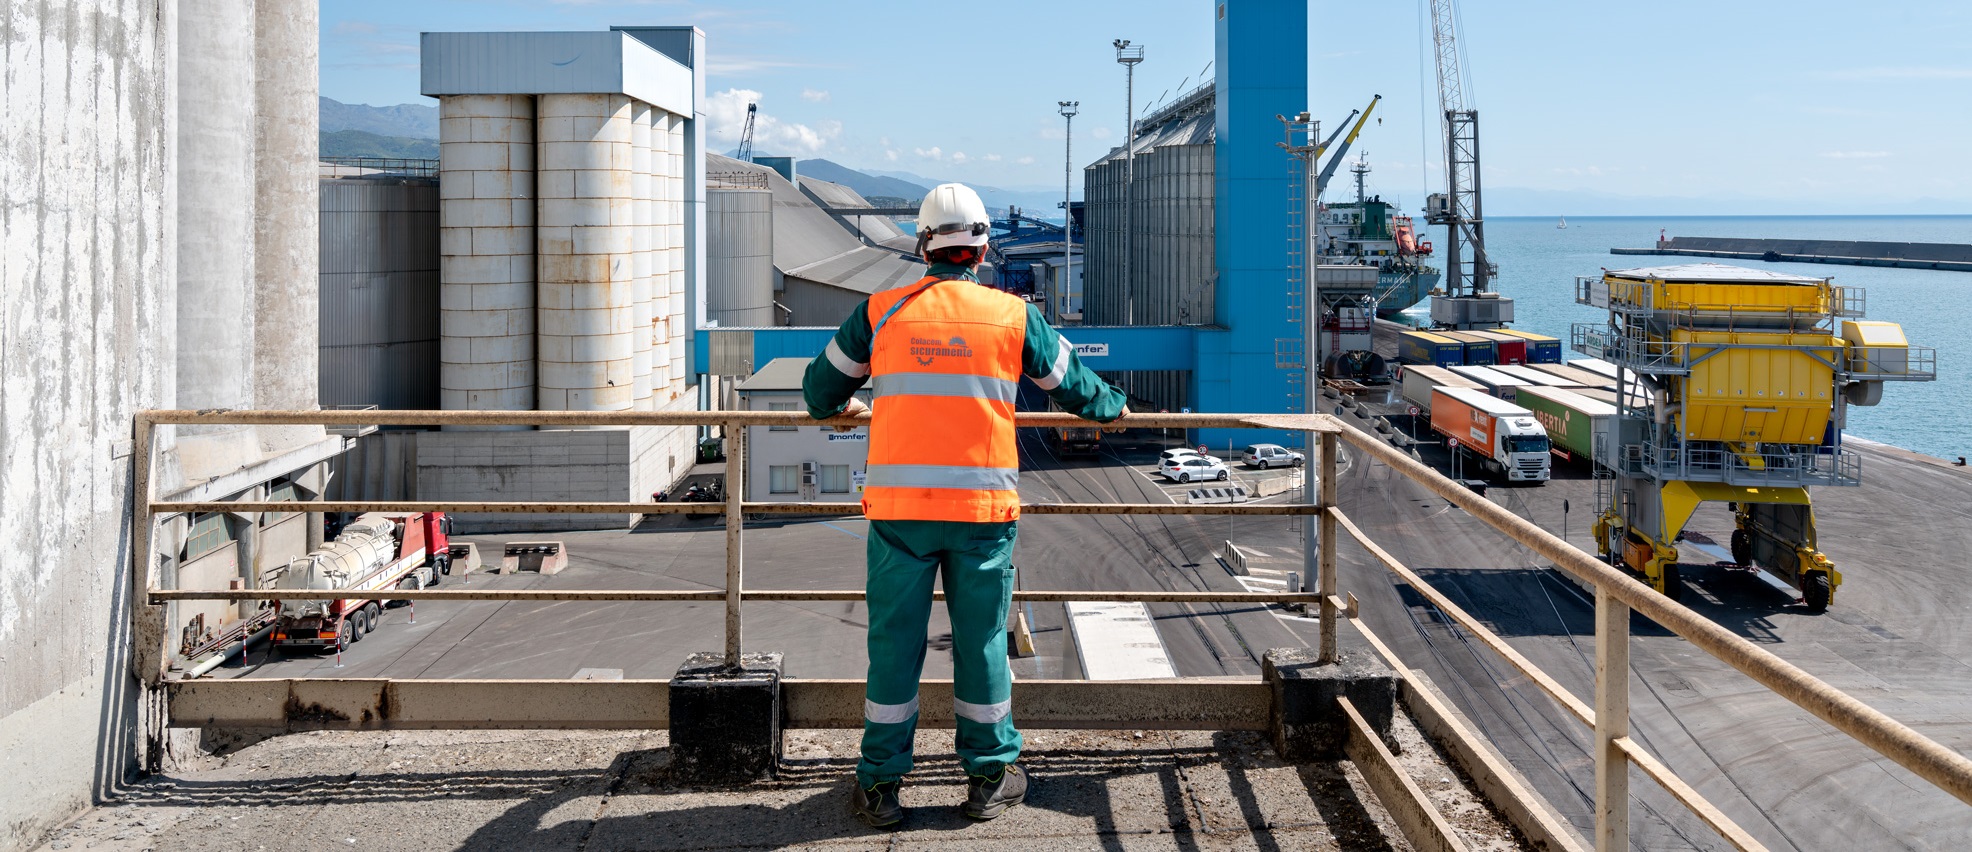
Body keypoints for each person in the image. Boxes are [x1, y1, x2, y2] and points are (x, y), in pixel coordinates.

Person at [803, 183, 1127, 827]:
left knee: (894, 645)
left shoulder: (881, 312)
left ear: (924, 244)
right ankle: (988, 776)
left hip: (899, 514)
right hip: (981, 514)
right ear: (981, 248)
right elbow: (1077, 388)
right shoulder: (1011, 316)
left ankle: (880, 785)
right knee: (980, 643)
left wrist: (851, 407)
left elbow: (818, 391)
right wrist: (1115, 407)